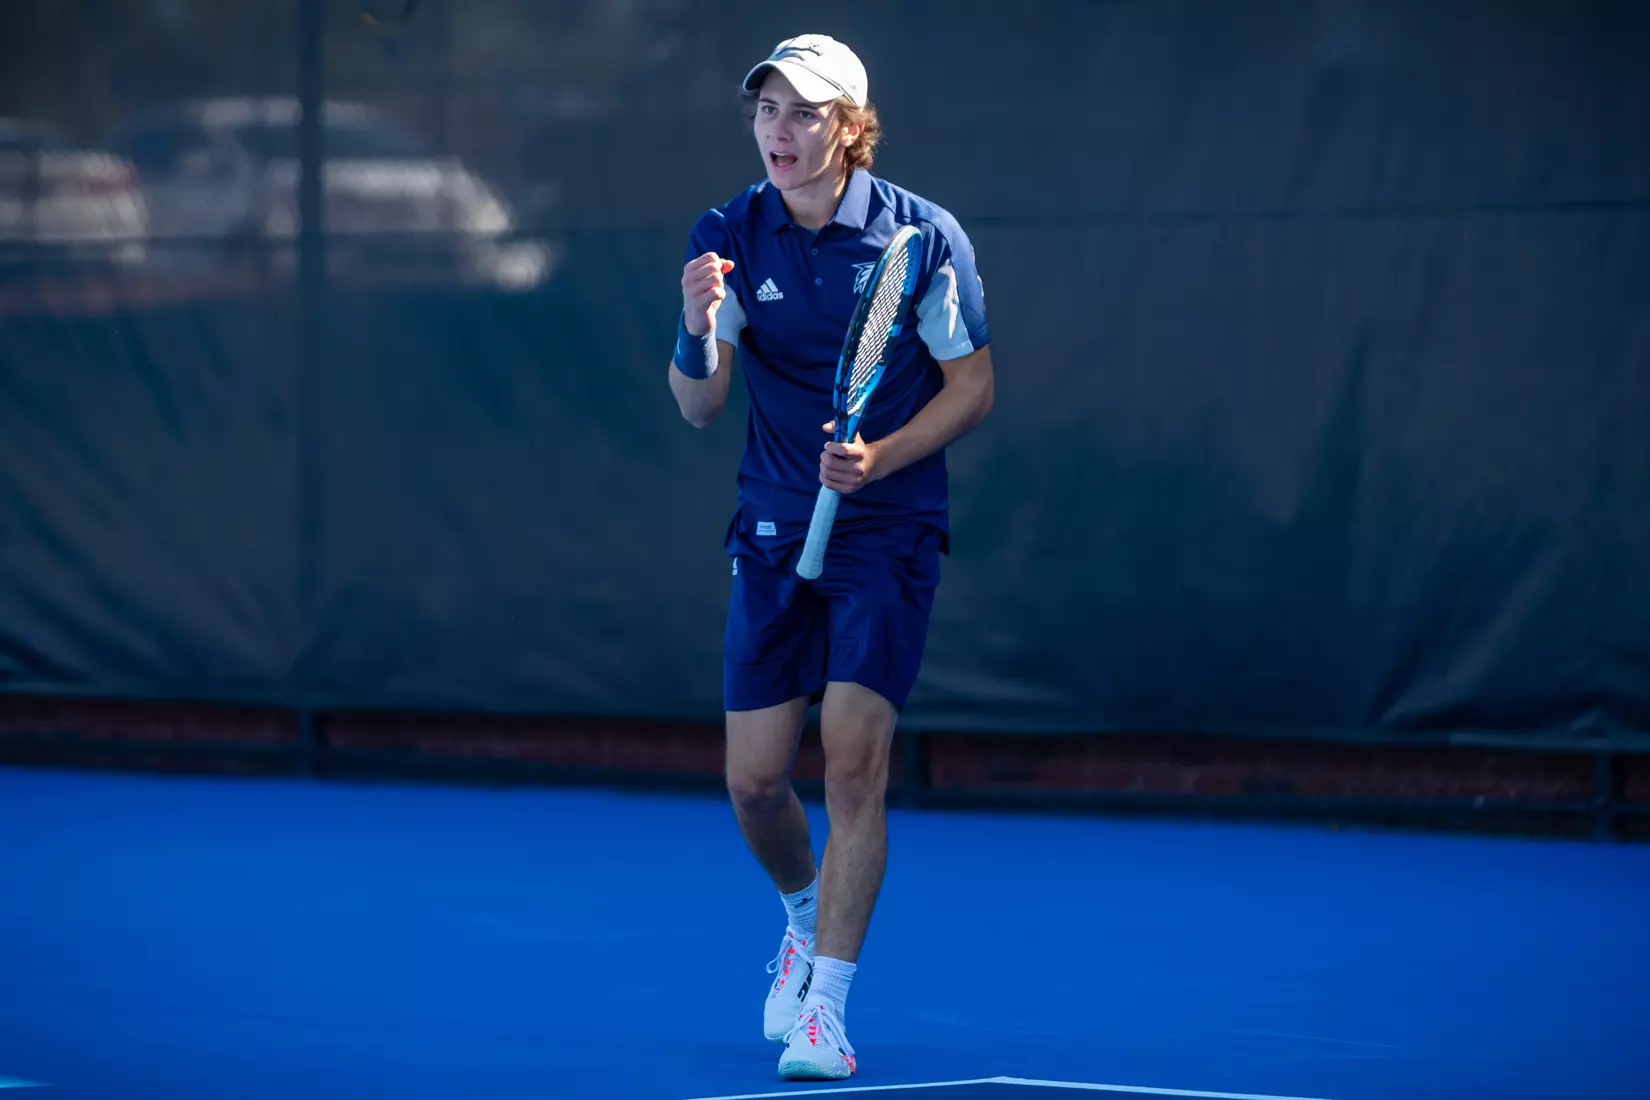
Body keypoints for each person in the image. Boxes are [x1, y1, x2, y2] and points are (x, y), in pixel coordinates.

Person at [667, 33, 994, 1081]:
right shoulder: (727, 232)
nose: (780, 130)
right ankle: (802, 916)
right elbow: (699, 405)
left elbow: (972, 385)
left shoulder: (922, 237)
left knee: (853, 765)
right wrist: (694, 330)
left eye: (804, 113)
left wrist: (883, 456)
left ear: (848, 126)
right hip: (770, 525)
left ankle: (828, 1009)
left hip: (886, 531)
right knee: (757, 783)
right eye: (767, 110)